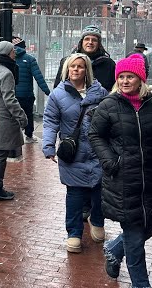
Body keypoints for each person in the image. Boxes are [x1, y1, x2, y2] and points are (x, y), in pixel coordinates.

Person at [88, 54, 152, 288]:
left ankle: (114, 249)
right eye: (120, 76)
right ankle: (140, 284)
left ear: (141, 79)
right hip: (122, 180)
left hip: (149, 180)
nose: (124, 81)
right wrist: (110, 161)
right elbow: (95, 134)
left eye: (129, 76)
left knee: (150, 225)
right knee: (134, 233)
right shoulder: (109, 105)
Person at [42, 53, 108, 253]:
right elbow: (50, 121)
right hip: (73, 153)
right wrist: (48, 145)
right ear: (67, 70)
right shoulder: (58, 95)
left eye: (80, 66)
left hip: (98, 151)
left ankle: (97, 220)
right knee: (75, 195)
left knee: (99, 191)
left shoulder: (100, 92)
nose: (76, 70)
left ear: (86, 70)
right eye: (72, 67)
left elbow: (110, 119)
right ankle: (74, 234)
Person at [53, 25, 116, 222]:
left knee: (97, 169)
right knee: (76, 168)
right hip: (74, 126)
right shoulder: (68, 62)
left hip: (99, 123)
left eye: (94, 39)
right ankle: (81, 209)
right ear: (81, 42)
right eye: (87, 39)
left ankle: (95, 213)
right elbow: (58, 90)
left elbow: (113, 92)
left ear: (99, 43)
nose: (90, 42)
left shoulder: (108, 64)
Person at [0, 40, 28, 201]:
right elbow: (10, 100)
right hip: (4, 118)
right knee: (1, 154)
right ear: (7, 54)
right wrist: (21, 116)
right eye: (13, 52)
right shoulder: (6, 73)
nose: (15, 54)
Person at [12, 36, 51, 144]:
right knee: (28, 114)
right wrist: (48, 92)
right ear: (24, 47)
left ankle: (14, 136)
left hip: (11, 94)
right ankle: (29, 136)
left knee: (12, 115)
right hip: (26, 95)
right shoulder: (30, 59)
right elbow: (39, 78)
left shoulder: (8, 59)